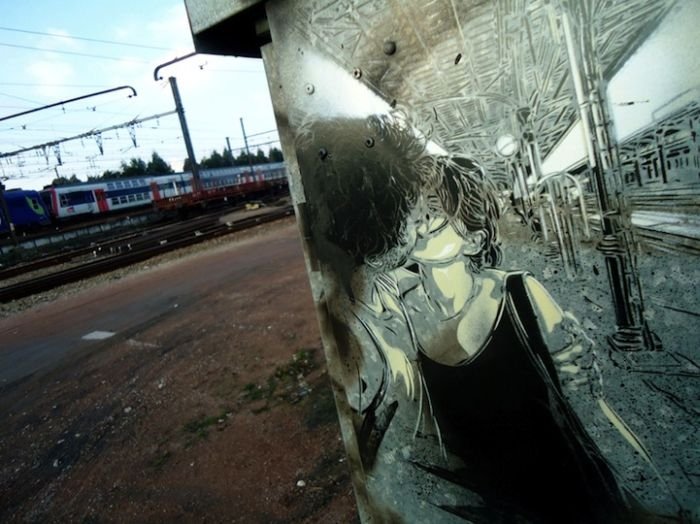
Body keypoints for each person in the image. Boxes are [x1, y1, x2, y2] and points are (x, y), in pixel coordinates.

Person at [296, 113, 650, 523]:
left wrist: (641, 484)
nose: (424, 220)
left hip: (569, 488)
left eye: (441, 213)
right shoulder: (397, 306)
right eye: (422, 208)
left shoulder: (519, 292)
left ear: (475, 237)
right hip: (491, 501)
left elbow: (585, 397)